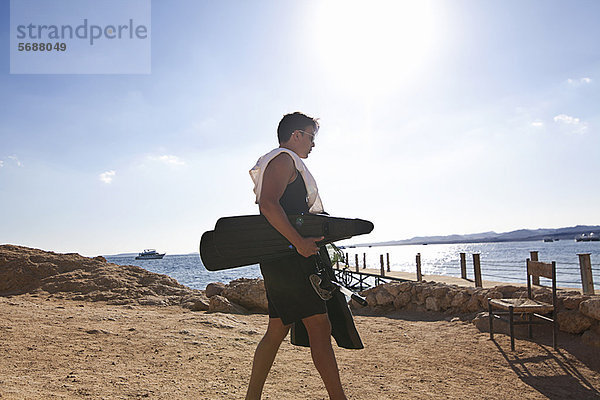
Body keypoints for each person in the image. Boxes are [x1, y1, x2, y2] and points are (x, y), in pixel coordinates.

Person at [246, 112, 348, 400]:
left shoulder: (284, 162)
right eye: (311, 137)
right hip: (290, 257)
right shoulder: (283, 159)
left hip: (281, 257)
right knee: (319, 324)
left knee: (278, 329)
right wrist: (300, 243)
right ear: (296, 135)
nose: (313, 144)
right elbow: (268, 204)